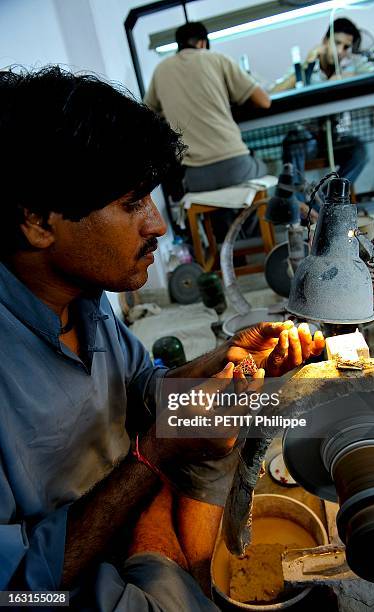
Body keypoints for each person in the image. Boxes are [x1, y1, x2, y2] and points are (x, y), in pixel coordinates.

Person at [0, 66, 324, 611]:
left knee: (230, 422)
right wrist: (151, 459)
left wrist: (229, 355)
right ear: (36, 219)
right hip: (57, 585)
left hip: (123, 496)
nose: (156, 226)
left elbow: (148, 389)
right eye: (131, 203)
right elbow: (20, 593)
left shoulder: (83, 298)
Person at [144, 21, 271, 194]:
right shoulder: (217, 59)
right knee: (267, 167)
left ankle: (227, 222)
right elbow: (264, 101)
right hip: (235, 165)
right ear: (203, 43)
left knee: (217, 203)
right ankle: (251, 221)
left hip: (196, 178)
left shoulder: (160, 70)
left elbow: (146, 116)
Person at [273, 18, 369, 191]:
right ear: (325, 41)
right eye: (336, 43)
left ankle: (325, 201)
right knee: (293, 141)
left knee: (360, 151)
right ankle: (302, 208)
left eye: (346, 47)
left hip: (337, 139)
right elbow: (273, 94)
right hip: (308, 140)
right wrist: (304, 67)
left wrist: (348, 78)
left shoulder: (352, 67)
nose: (340, 51)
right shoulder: (307, 67)